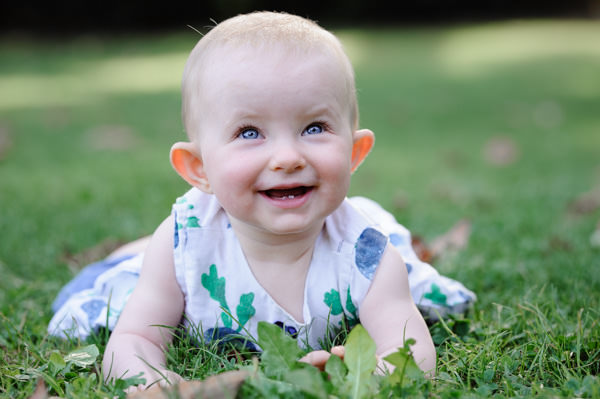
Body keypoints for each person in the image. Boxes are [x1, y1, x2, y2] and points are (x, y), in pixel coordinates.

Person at [48, 11, 475, 388]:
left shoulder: (367, 253)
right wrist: (151, 382)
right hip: (193, 240)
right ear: (199, 168)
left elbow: (411, 350)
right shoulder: (182, 247)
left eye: (314, 127)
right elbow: (135, 338)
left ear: (353, 153)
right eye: (249, 132)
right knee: (123, 275)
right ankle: (133, 249)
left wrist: (369, 374)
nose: (288, 158)